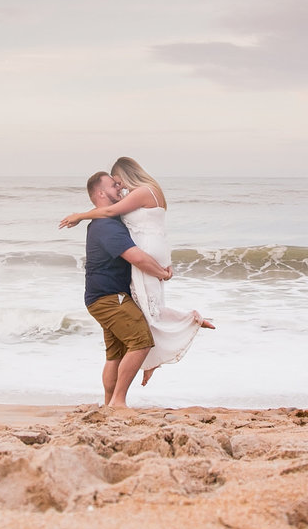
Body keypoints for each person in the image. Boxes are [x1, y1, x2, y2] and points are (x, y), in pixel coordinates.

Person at [62, 157, 213, 387]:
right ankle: (183, 328)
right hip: (112, 292)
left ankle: (118, 396)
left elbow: (109, 209)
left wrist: (80, 216)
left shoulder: (141, 193)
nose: (119, 187)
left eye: (118, 182)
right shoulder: (110, 221)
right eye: (114, 185)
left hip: (112, 287)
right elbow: (111, 215)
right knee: (145, 327)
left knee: (131, 335)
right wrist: (162, 267)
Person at [80, 171, 175, 408]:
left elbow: (146, 242)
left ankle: (109, 404)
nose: (120, 189)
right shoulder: (106, 226)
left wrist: (164, 258)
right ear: (101, 193)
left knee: (115, 354)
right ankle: (118, 403)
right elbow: (136, 257)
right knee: (141, 342)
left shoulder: (108, 222)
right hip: (110, 297)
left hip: (101, 297)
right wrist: (162, 273)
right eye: (114, 186)